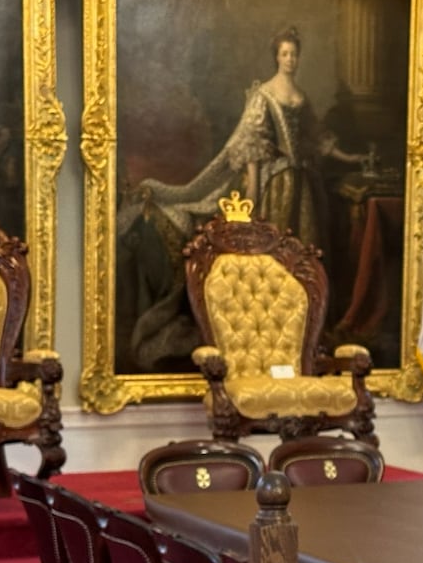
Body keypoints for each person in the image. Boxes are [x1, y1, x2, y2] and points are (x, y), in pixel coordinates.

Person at [115, 26, 364, 372]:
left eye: (294, 54)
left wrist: (350, 159)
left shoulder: (301, 96)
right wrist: (252, 190)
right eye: (284, 54)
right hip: (275, 184)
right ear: (276, 56)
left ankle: (303, 334)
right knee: (271, 259)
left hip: (303, 186)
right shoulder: (264, 95)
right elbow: (251, 144)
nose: (290, 59)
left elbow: (317, 138)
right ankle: (264, 328)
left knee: (305, 252)